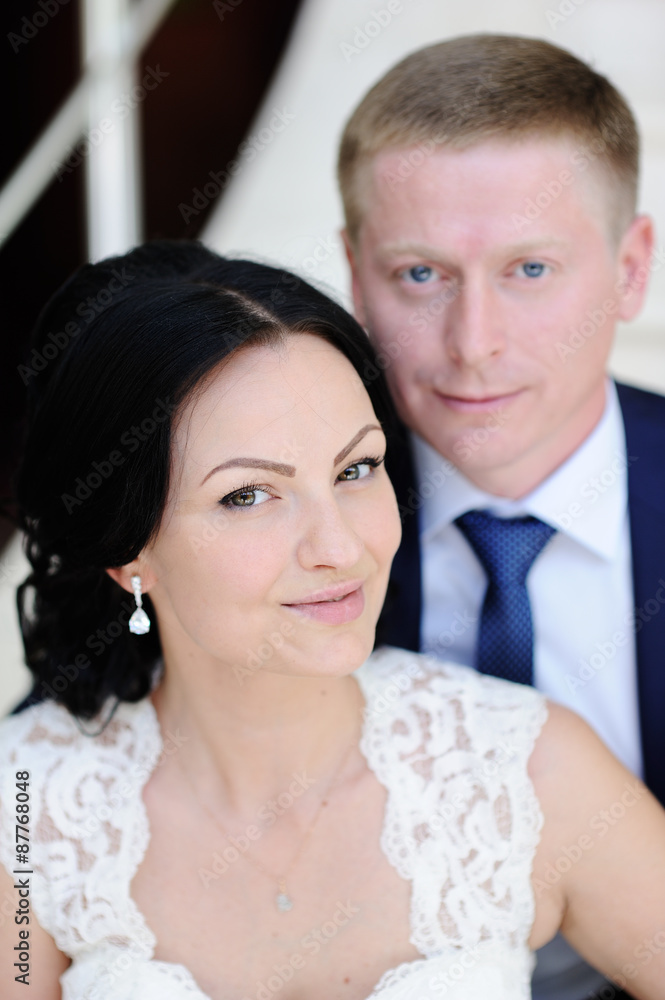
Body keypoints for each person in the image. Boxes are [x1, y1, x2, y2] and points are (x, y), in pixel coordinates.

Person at [0, 242, 664, 1000]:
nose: (340, 546)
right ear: (128, 554)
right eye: (248, 495)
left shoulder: (526, 771)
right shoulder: (24, 813)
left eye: (355, 471)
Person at [338, 33, 665, 1000]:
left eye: (529, 271)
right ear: (355, 274)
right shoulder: (264, 506)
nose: (472, 345)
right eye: (419, 275)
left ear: (628, 268)